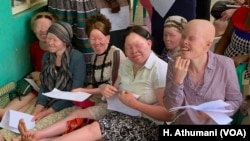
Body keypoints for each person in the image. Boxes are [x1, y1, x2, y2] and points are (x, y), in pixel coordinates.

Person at [14, 25, 174, 141]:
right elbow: (114, 88)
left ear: (149, 44)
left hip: (147, 121)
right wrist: (104, 89)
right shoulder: (127, 63)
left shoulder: (159, 68)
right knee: (77, 115)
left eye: (138, 45)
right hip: (120, 108)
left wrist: (135, 104)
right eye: (128, 47)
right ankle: (36, 135)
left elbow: (168, 114)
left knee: (96, 128)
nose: (134, 51)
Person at [163, 19, 243, 124]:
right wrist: (177, 81)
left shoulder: (225, 65)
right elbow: (171, 107)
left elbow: (235, 101)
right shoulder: (174, 63)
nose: (184, 42)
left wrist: (216, 111)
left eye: (191, 38)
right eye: (183, 36)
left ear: (208, 44)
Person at [0, 12, 57, 119]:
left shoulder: (59, 48)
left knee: (32, 102)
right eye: (39, 27)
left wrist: (39, 76)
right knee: (26, 96)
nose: (43, 30)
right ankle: (4, 116)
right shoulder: (33, 47)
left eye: (47, 27)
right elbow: (36, 68)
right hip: (39, 84)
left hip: (53, 85)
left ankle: (13, 119)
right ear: (33, 30)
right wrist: (36, 76)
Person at [31, 21, 86, 122]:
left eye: (54, 40)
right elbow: (44, 86)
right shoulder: (47, 57)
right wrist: (38, 109)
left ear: (64, 41)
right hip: (49, 100)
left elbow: (74, 93)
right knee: (31, 118)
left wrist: (46, 112)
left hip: (69, 103)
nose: (50, 42)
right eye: (49, 38)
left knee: (41, 126)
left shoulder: (77, 58)